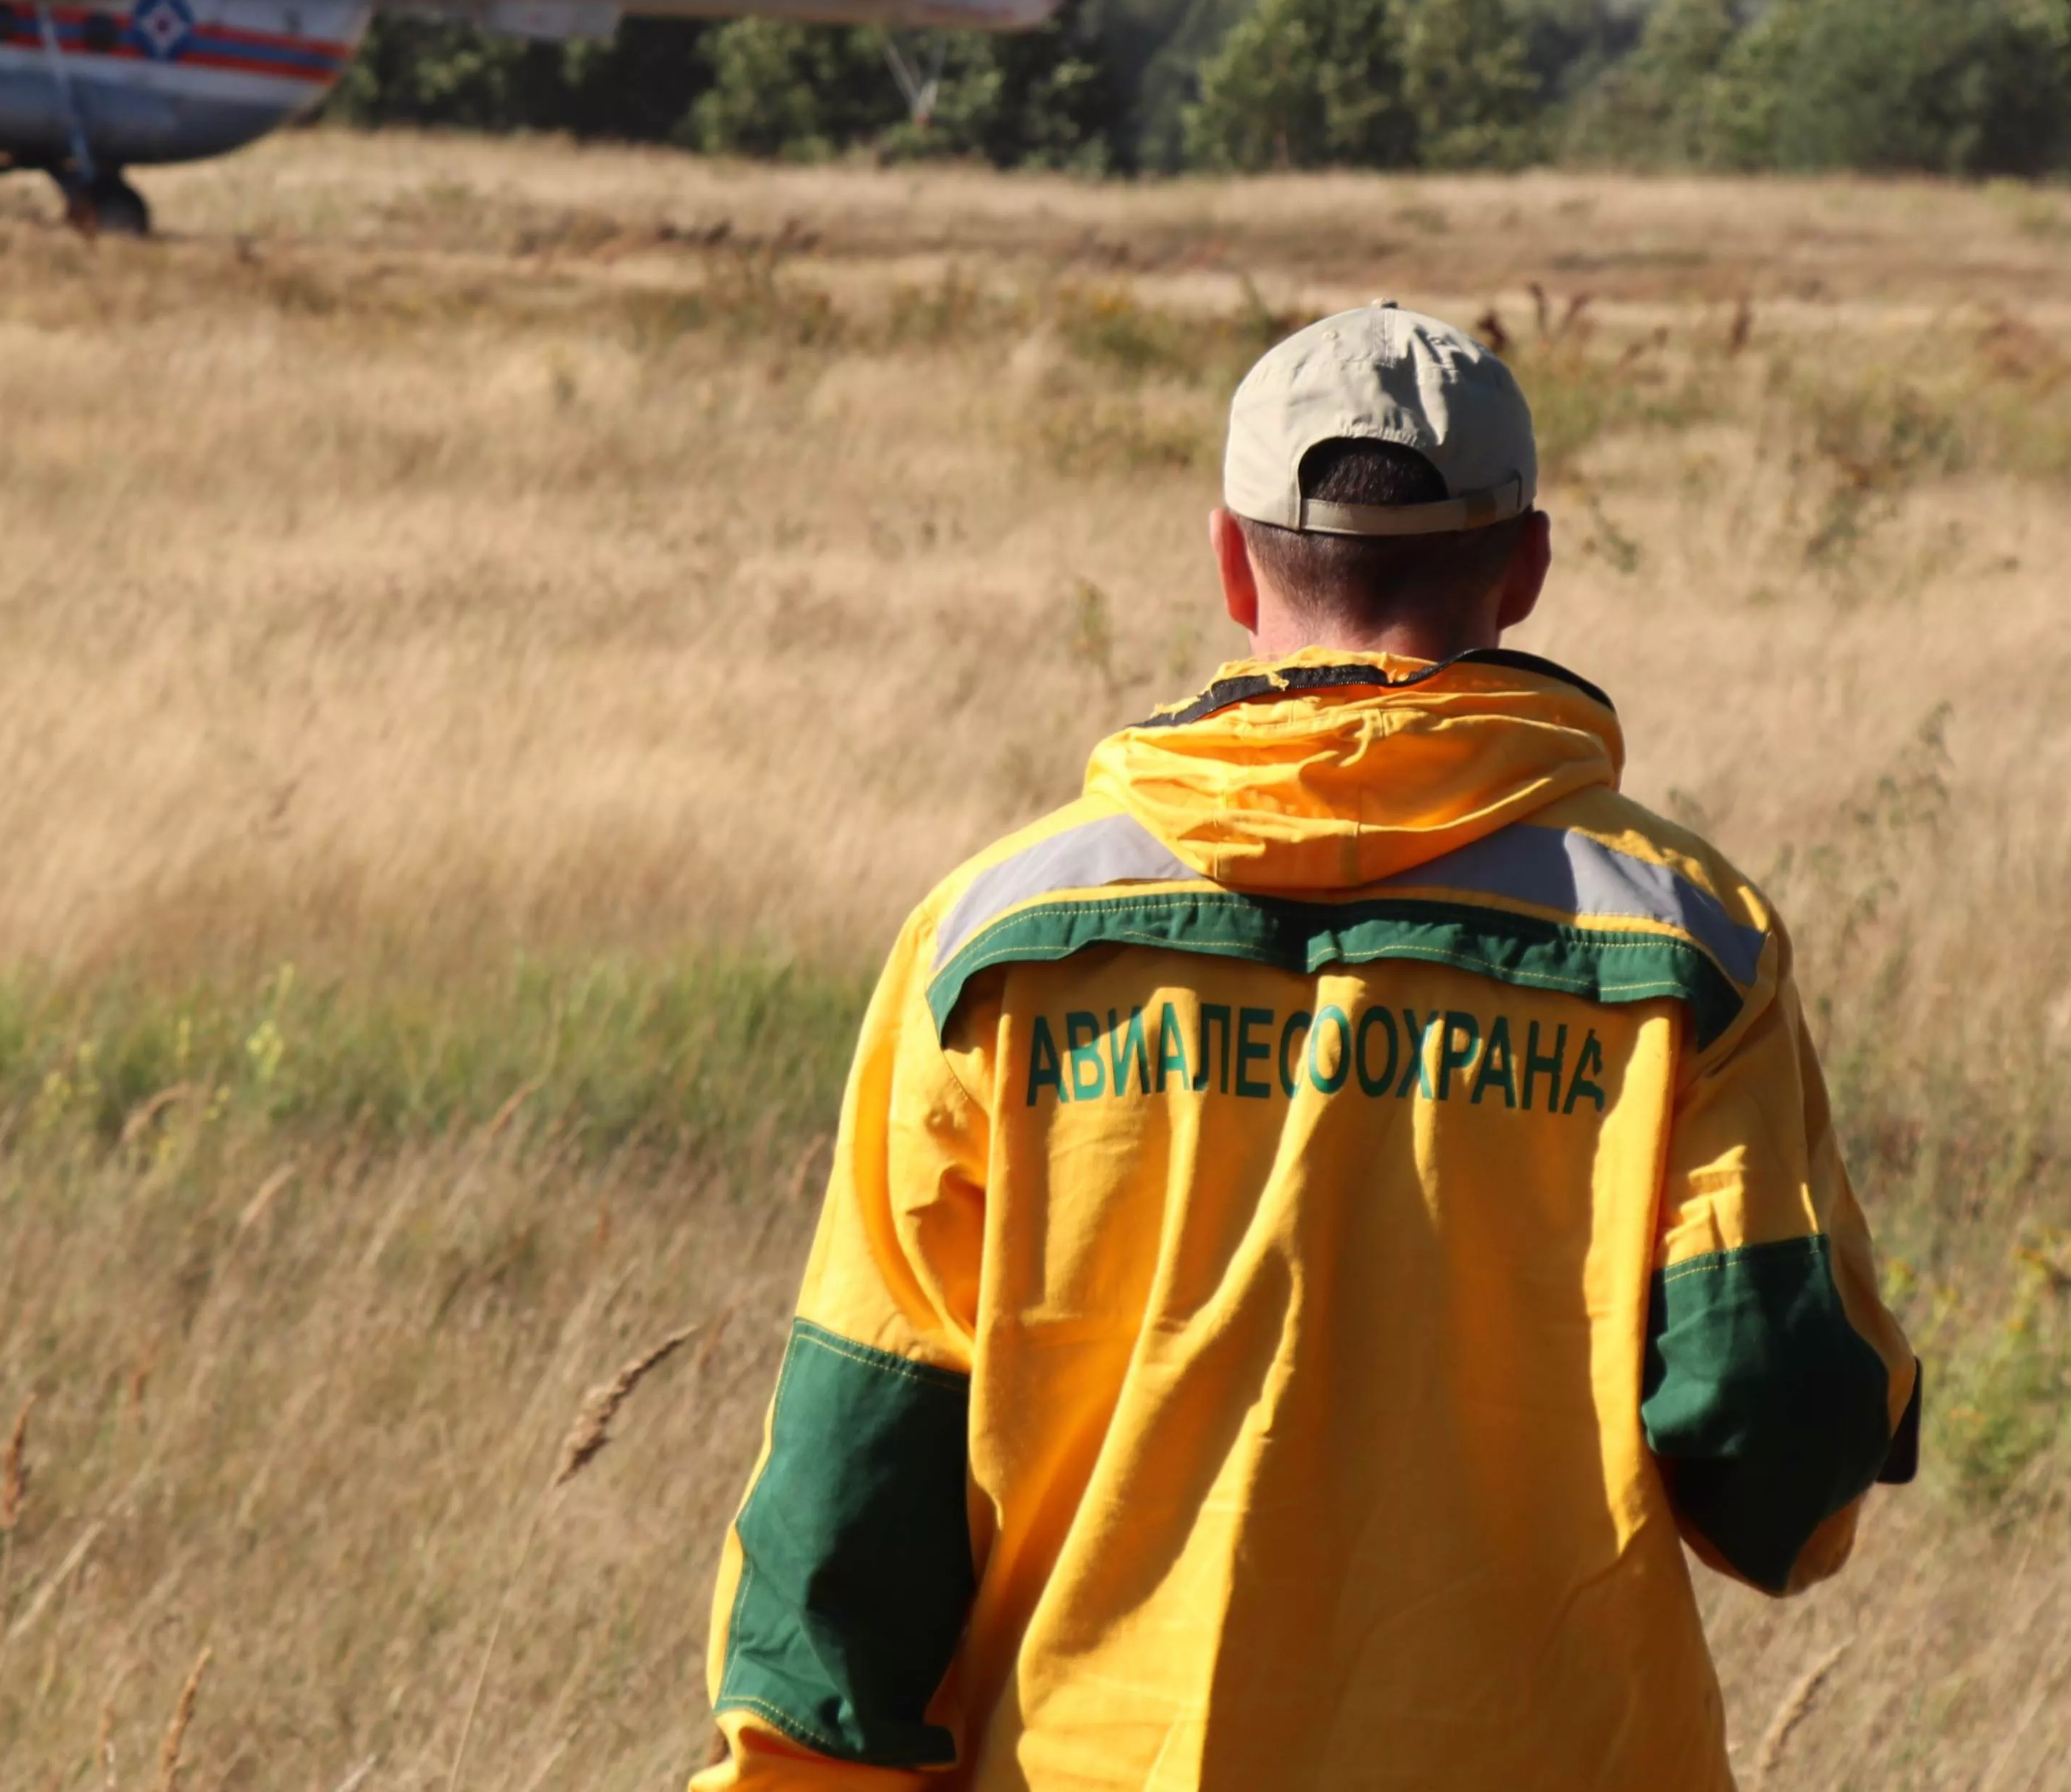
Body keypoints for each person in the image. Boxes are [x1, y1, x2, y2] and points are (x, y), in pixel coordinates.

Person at [691, 302, 1916, 1792]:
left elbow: (854, 1479)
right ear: (1522, 568)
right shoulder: (1685, 947)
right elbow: (1780, 1460)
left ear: (1228, 559)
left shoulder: (990, 941)